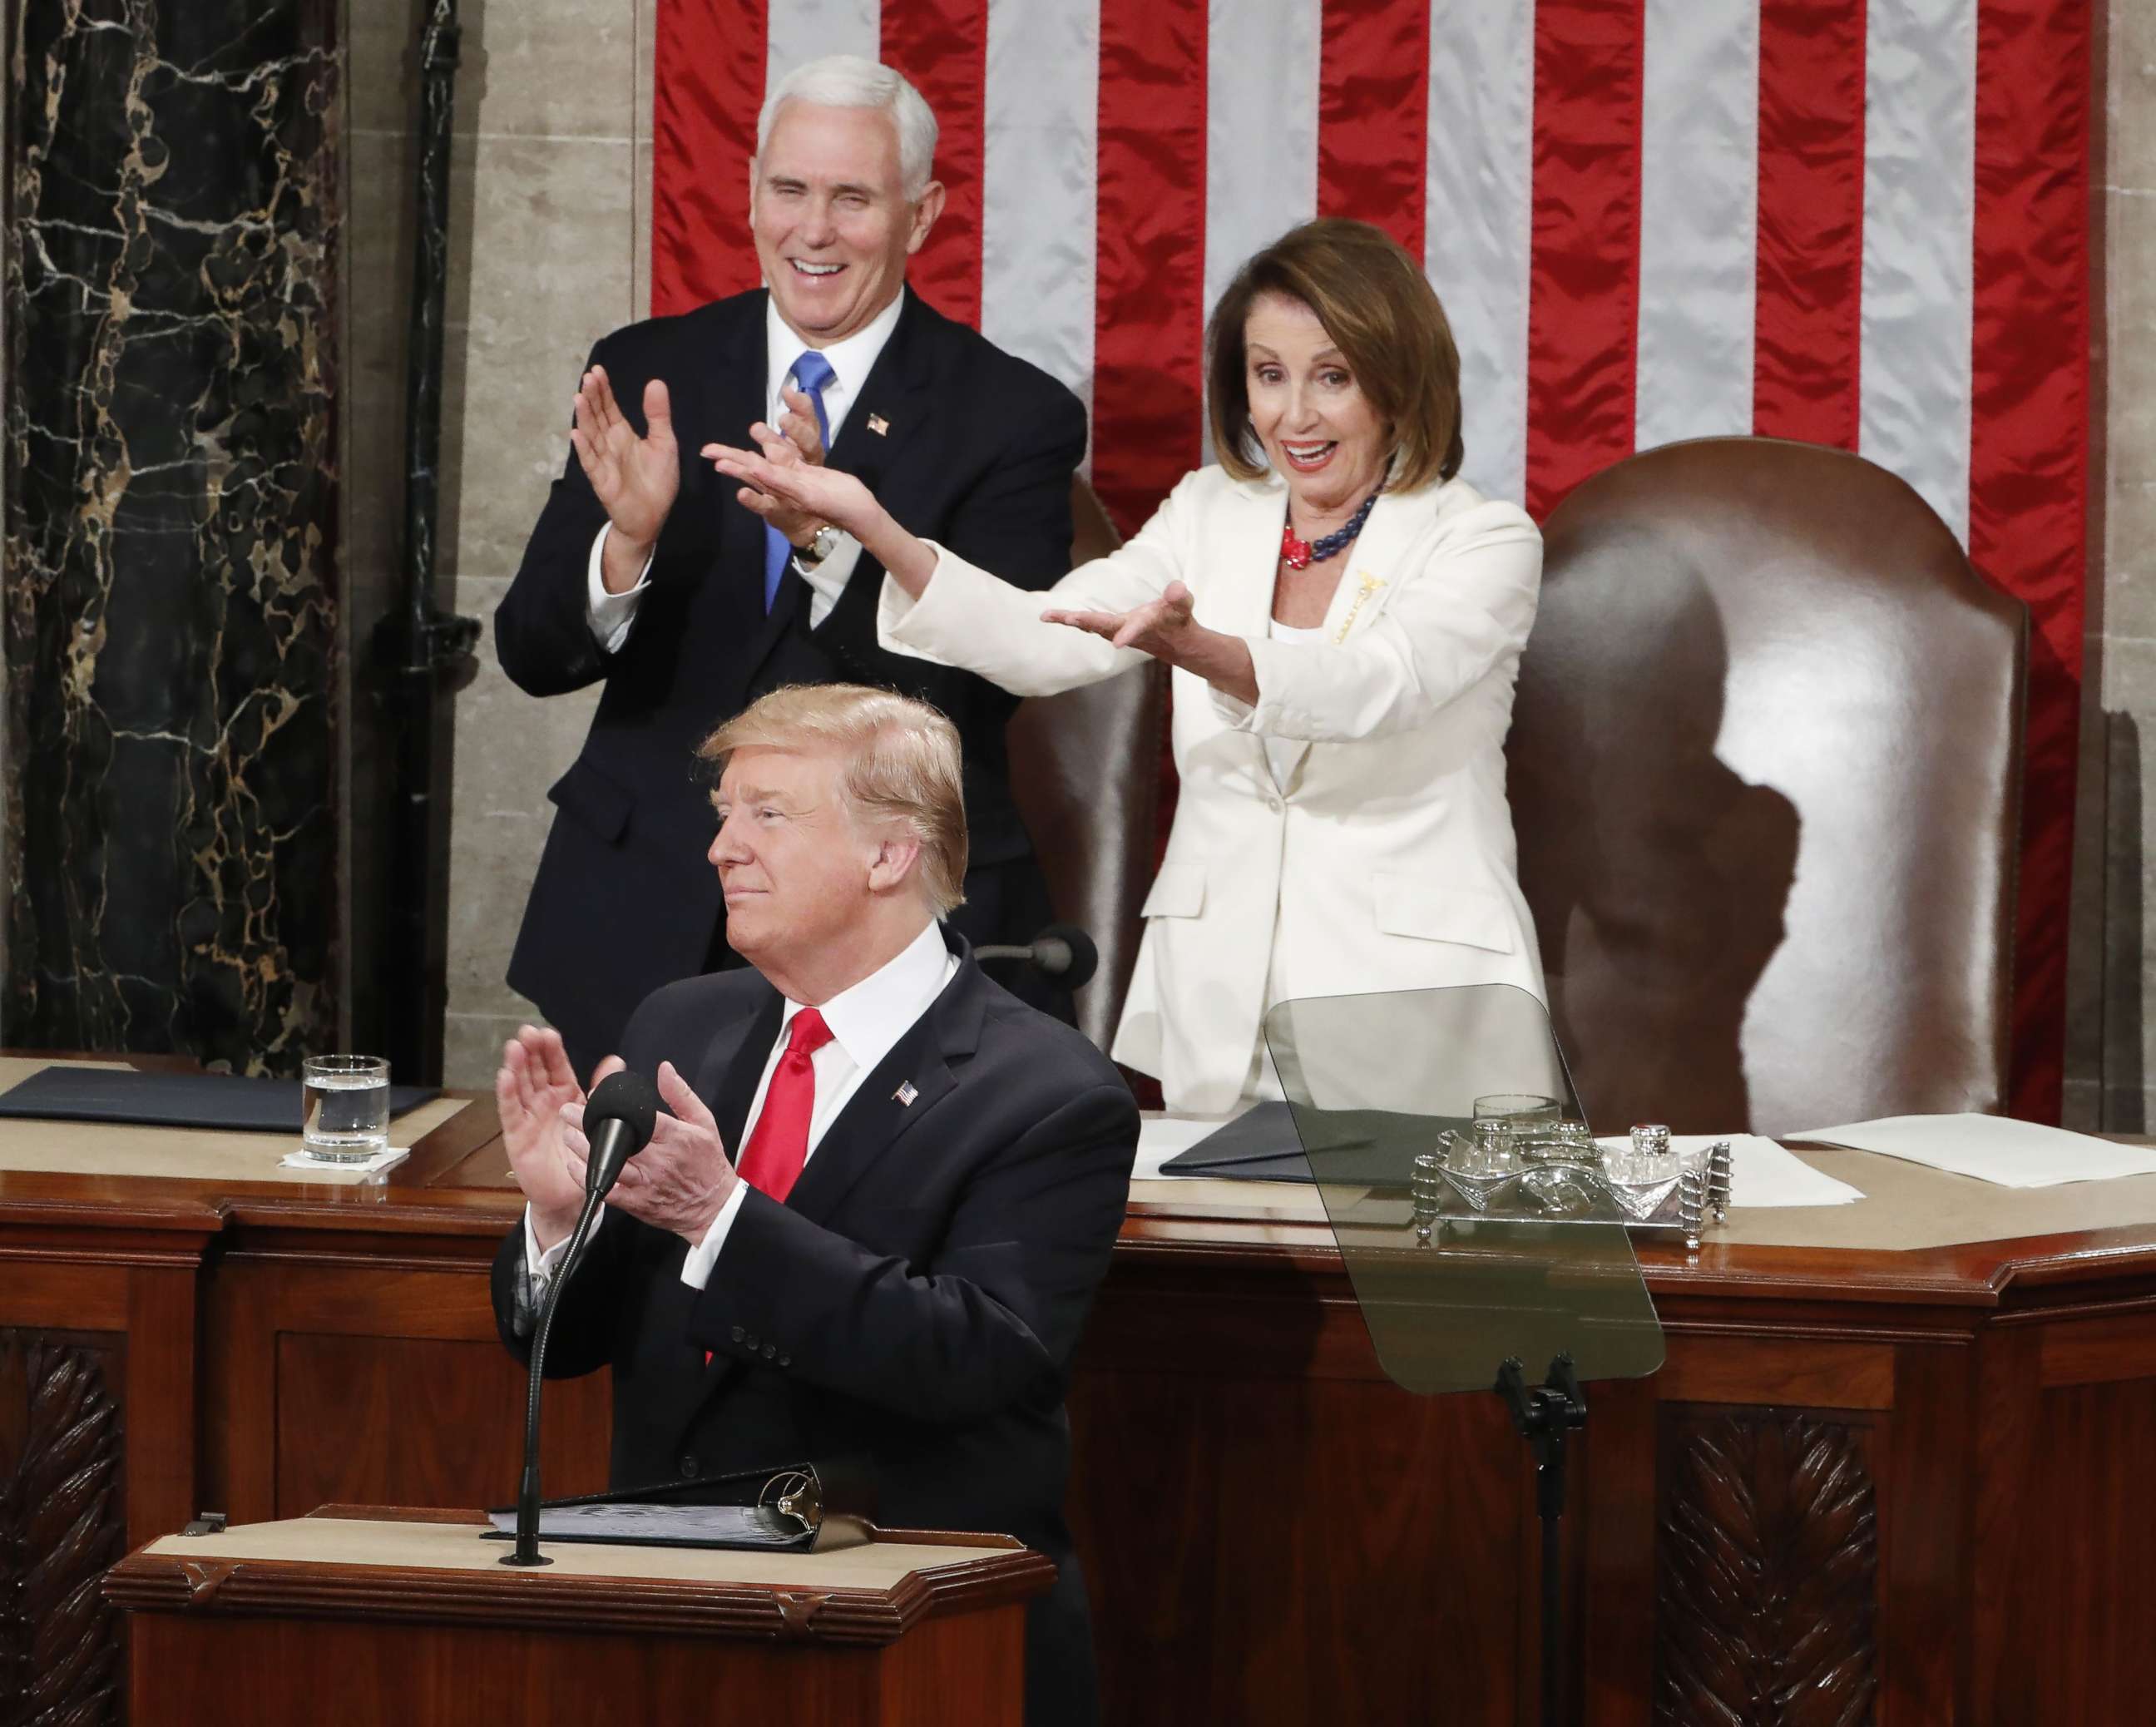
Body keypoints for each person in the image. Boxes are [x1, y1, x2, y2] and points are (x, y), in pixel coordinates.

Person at [705, 218, 1547, 1112]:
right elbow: (1040, 634)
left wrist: (1206, 653)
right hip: (1217, 1015)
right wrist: (869, 525)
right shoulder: (1210, 511)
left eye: (1331, 377)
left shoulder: (1483, 539)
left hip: (1419, 1017)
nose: (1293, 416)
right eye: (1269, 375)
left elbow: (1382, 684)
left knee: (1408, 1260)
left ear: (1398, 380)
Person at [490, 684, 1137, 1727]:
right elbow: (564, 1347)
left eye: (767, 814)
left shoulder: (1051, 1092)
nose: (721, 850)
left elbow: (979, 1356)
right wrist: (565, 1225)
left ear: (890, 855)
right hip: (668, 1636)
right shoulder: (680, 1024)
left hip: (905, 1650)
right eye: (723, 815)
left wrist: (720, 1219)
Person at [495, 56, 1088, 1080]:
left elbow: (974, 691)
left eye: (852, 198)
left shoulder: (1013, 416)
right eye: (790, 191)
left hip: (876, 928)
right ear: (753, 194)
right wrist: (627, 541)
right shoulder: (649, 367)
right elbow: (531, 654)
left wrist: (826, 542)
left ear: (922, 212)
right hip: (637, 918)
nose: (814, 231)